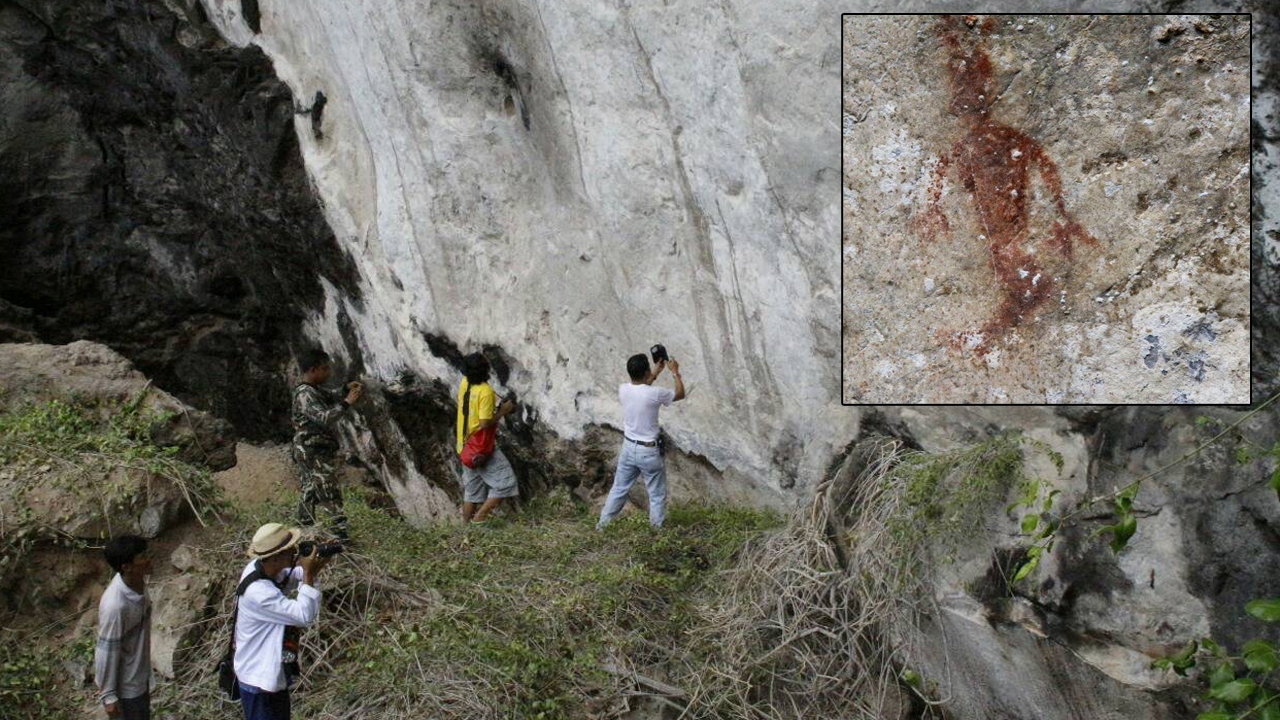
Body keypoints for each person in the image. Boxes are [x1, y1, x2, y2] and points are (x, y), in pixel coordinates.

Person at [234, 522, 330, 720]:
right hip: (258, 682)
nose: (295, 552)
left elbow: (290, 575)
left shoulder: (261, 567)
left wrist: (315, 563)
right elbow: (304, 615)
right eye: (290, 550)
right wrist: (309, 574)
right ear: (275, 558)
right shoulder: (258, 592)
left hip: (268, 677)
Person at [597, 353, 685, 530]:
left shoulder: (624, 389)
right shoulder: (655, 393)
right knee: (656, 495)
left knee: (619, 489)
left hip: (629, 448)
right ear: (645, 372)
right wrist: (675, 372)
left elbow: (641, 388)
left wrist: (655, 372)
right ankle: (656, 532)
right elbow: (680, 393)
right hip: (649, 451)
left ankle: (602, 527)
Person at [291, 349, 362, 540]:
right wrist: (347, 403)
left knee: (311, 488)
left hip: (312, 449)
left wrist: (345, 389)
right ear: (313, 370)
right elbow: (323, 418)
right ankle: (340, 535)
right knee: (328, 488)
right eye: (324, 369)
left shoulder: (312, 390)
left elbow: (330, 395)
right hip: (311, 450)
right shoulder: (305, 393)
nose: (328, 373)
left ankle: (303, 530)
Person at [94, 535, 153, 720]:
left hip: (139, 678)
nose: (148, 559)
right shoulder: (115, 606)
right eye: (142, 556)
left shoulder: (137, 583)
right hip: (127, 689)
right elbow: (106, 651)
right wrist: (109, 697)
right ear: (126, 567)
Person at [455, 353, 519, 523]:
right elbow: (484, 423)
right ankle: (479, 519)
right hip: (480, 447)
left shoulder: (465, 383)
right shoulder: (485, 391)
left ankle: (465, 530)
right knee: (506, 484)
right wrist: (503, 410)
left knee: (472, 492)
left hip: (464, 447)